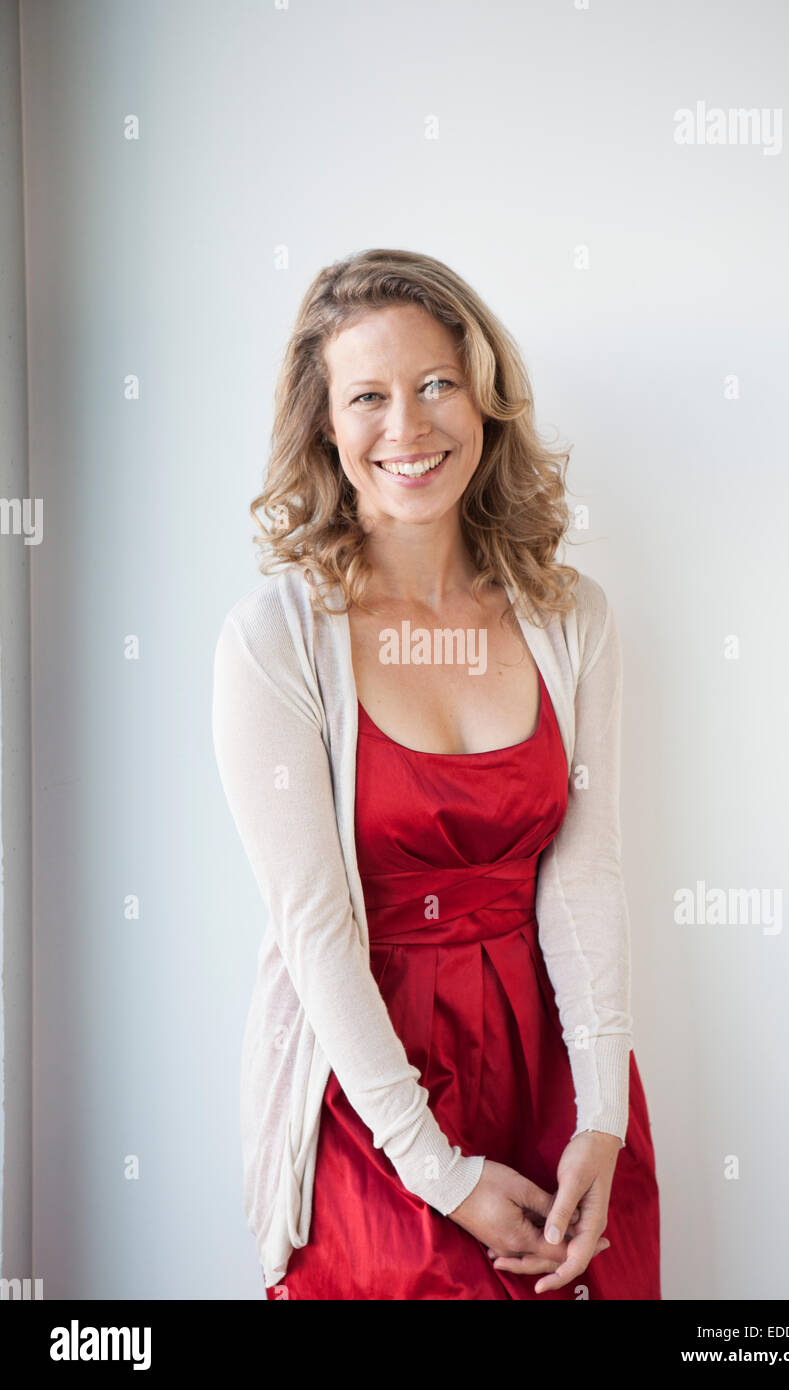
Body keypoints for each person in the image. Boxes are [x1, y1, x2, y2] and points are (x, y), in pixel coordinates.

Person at [211, 248, 660, 1300]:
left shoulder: (571, 614)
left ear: (484, 399)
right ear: (325, 425)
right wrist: (438, 1172)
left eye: (435, 384)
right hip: (370, 1089)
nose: (406, 427)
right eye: (367, 395)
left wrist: (601, 1115)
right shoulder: (271, 642)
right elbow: (316, 930)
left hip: (552, 1060)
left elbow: (584, 872)